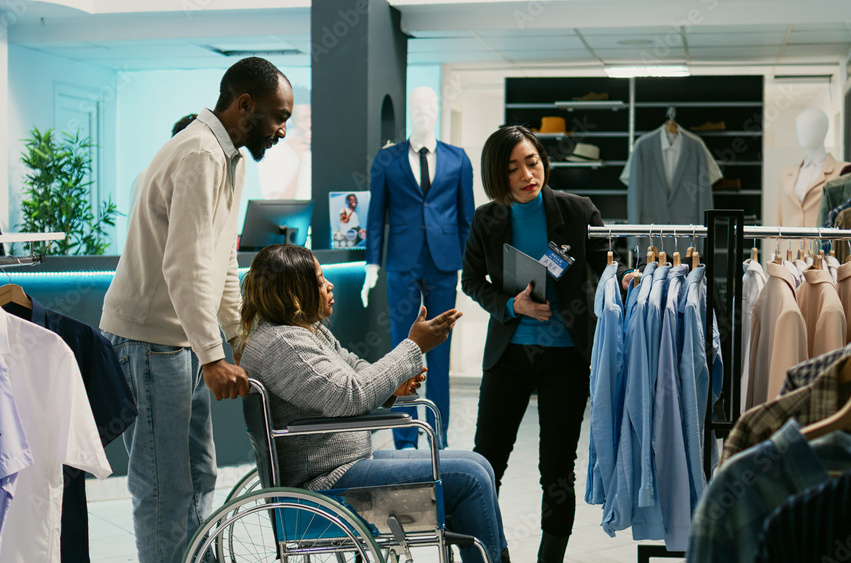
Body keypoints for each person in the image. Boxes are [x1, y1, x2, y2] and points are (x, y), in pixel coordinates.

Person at [100, 56, 294, 563]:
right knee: (165, 486)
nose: (281, 131)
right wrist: (213, 356)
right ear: (244, 104)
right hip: (150, 340)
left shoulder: (231, 158)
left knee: (199, 474)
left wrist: (241, 339)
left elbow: (221, 261)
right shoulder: (199, 155)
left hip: (183, 339)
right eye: (278, 117)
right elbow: (184, 268)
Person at [237, 244, 509, 563]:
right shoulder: (285, 345)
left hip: (346, 465)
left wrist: (393, 385)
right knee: (469, 477)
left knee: (479, 465)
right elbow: (350, 394)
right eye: (320, 279)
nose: (329, 285)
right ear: (294, 293)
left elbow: (355, 369)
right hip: (326, 486)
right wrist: (412, 347)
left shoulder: (305, 333)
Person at [461, 125, 634, 563]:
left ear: (543, 161)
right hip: (509, 355)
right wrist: (511, 304)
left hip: (566, 358)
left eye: (532, 162)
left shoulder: (578, 212)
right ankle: (490, 555)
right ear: (498, 175)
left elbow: (608, 266)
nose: (526, 175)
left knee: (556, 471)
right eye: (514, 168)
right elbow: (471, 282)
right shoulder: (486, 219)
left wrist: (613, 283)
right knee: (486, 465)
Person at [362, 86, 475, 450]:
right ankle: (405, 438)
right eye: (417, 107)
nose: (423, 112)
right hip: (402, 261)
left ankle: (438, 436)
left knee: (440, 352)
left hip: (444, 262)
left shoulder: (458, 159)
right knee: (403, 349)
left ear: (438, 110)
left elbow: (467, 218)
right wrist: (371, 264)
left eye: (430, 106)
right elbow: (376, 216)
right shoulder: (387, 160)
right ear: (410, 112)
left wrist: (472, 263)